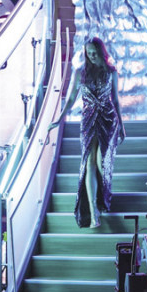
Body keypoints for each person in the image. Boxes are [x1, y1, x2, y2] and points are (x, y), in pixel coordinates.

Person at [49, 37, 125, 228]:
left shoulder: (111, 72)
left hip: (108, 119)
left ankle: (102, 198)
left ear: (101, 52)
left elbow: (116, 100)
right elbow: (71, 99)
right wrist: (59, 119)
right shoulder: (79, 72)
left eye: (94, 52)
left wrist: (122, 126)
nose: (91, 56)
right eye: (88, 53)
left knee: (101, 163)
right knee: (89, 164)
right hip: (88, 120)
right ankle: (93, 213)